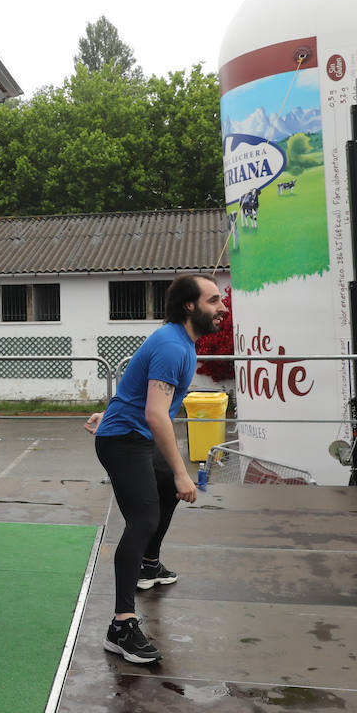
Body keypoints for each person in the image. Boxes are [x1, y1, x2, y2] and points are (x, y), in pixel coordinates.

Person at [84, 274, 227, 664]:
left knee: (164, 486)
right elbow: (156, 413)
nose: (222, 307)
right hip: (124, 442)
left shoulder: (178, 341)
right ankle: (121, 625)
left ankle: (149, 563)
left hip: (135, 432)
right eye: (214, 300)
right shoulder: (171, 346)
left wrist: (111, 409)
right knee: (144, 517)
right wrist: (184, 471)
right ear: (189, 306)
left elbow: (140, 393)